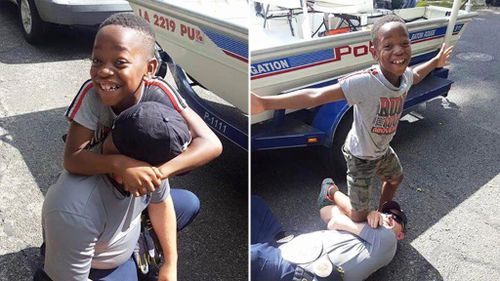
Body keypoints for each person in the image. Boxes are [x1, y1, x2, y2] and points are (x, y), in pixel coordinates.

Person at [251, 15, 452, 222]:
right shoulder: (365, 82)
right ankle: (331, 191)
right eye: (388, 46)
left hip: (381, 150)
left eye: (404, 43)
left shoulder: (405, 77)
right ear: (374, 53)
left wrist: (436, 61)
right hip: (360, 156)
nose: (399, 50)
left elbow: (416, 75)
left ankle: (382, 212)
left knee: (395, 179)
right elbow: (316, 95)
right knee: (357, 217)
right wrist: (266, 103)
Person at [64, 12, 222, 197]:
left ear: (150, 69)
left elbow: (211, 143)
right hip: (100, 179)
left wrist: (155, 174)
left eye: (120, 62)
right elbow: (72, 159)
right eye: (97, 60)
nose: (104, 71)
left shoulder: (158, 92)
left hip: (142, 186)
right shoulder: (92, 94)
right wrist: (120, 164)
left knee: (188, 203)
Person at [39, 102, 198, 281]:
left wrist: (170, 263)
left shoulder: (140, 151)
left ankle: (138, 247)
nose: (162, 175)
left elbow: (161, 202)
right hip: (99, 266)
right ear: (137, 167)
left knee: (188, 203)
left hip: (121, 234)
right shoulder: (73, 210)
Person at [251, 179, 408, 281]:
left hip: (293, 268)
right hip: (288, 246)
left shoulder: (388, 239)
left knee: (252, 257)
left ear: (400, 235)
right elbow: (328, 214)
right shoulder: (369, 241)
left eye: (397, 218)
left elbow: (333, 220)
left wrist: (331, 192)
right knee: (255, 205)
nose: (389, 217)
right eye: (386, 212)